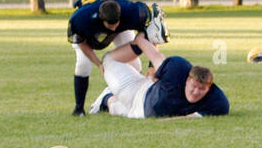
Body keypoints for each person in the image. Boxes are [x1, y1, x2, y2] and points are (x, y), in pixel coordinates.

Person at [68, 0, 168, 115]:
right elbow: (81, 42)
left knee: (135, 65)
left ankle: (120, 97)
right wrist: (99, 64)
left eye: (116, 23)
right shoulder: (83, 19)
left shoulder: (132, 11)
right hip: (89, 32)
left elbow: (153, 32)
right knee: (83, 65)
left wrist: (152, 65)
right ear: (100, 18)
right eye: (110, 25)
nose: (114, 27)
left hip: (121, 27)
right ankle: (79, 108)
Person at [91, 36, 228, 119]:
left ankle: (106, 96)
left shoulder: (217, 100)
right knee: (109, 60)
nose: (196, 92)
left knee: (112, 105)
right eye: (194, 86)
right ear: (187, 80)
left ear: (209, 88)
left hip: (139, 114)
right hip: (138, 92)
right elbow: (156, 57)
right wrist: (140, 40)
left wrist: (168, 121)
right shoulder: (177, 69)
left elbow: (190, 117)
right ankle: (110, 91)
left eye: (202, 89)